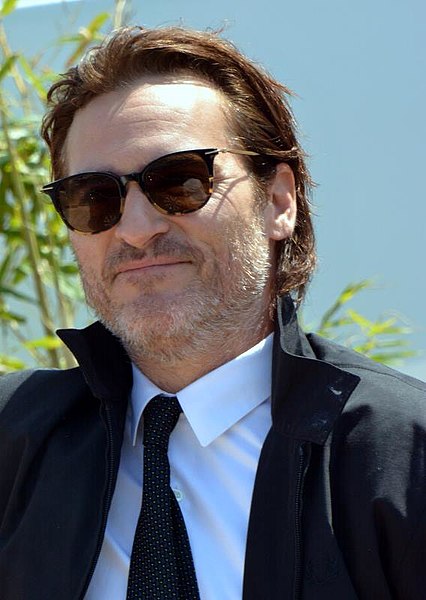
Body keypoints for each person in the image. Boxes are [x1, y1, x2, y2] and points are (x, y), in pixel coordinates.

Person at [0, 25, 425, 600]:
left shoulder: (405, 456)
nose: (136, 229)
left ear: (278, 201)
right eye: (95, 197)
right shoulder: (12, 441)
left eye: (180, 181)